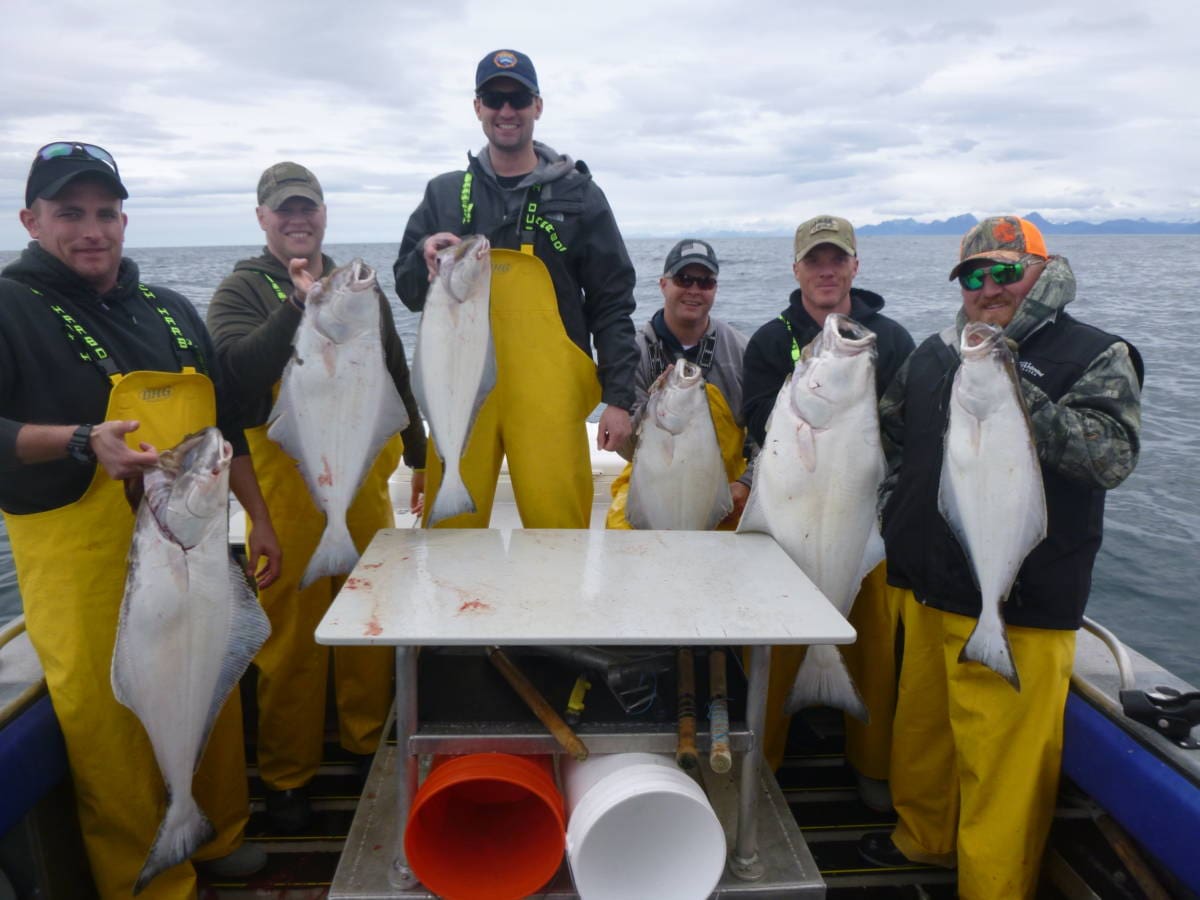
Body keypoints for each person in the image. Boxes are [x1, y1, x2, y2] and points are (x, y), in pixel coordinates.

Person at [0, 142, 281, 898]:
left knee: (213, 698)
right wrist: (78, 440)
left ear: (124, 220)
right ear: (30, 219)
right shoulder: (9, 309)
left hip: (190, 547)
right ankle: (147, 883)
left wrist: (260, 519)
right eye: (69, 213)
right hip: (80, 564)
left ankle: (211, 829)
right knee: (111, 734)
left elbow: (234, 426)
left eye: (105, 213)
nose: (92, 230)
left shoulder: (172, 309)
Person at [859, 216, 1143, 898]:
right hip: (928, 588)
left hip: (1021, 604)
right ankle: (922, 840)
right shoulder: (932, 354)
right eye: (974, 276)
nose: (989, 289)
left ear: (1043, 272)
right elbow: (892, 435)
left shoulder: (1096, 352)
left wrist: (1014, 390)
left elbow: (1110, 456)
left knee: (1003, 772)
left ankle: (990, 888)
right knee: (923, 741)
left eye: (1005, 272)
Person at [206, 161, 427, 833]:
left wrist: (417, 453)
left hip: (361, 477)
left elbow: (391, 366)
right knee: (291, 639)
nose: (297, 219)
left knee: (369, 621)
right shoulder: (242, 289)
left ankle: (366, 746)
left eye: (308, 208)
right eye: (284, 210)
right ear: (262, 218)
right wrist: (297, 306)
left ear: (325, 213)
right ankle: (287, 776)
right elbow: (234, 369)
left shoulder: (357, 285)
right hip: (286, 487)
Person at [394, 48, 638, 528]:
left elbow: (612, 301)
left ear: (537, 106)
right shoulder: (443, 194)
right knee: (451, 540)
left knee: (560, 540)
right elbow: (405, 290)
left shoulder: (580, 196)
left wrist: (620, 397)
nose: (507, 111)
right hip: (458, 399)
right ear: (478, 107)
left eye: (518, 99)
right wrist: (423, 257)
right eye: (494, 98)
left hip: (549, 400)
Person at [741, 215, 915, 799]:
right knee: (772, 652)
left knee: (873, 650)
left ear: (855, 266)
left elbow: (908, 427)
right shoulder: (770, 340)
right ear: (796, 270)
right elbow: (761, 423)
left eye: (837, 259)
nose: (826, 270)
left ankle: (874, 767)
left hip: (865, 517)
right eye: (814, 260)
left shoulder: (889, 339)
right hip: (791, 515)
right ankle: (762, 766)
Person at [606, 239, 751, 529]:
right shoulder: (634, 353)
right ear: (663, 284)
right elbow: (626, 448)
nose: (694, 290)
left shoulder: (740, 350)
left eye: (706, 282)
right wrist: (651, 406)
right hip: (651, 476)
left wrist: (746, 484)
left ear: (715, 289)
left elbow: (762, 433)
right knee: (620, 533)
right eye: (684, 279)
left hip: (725, 481)